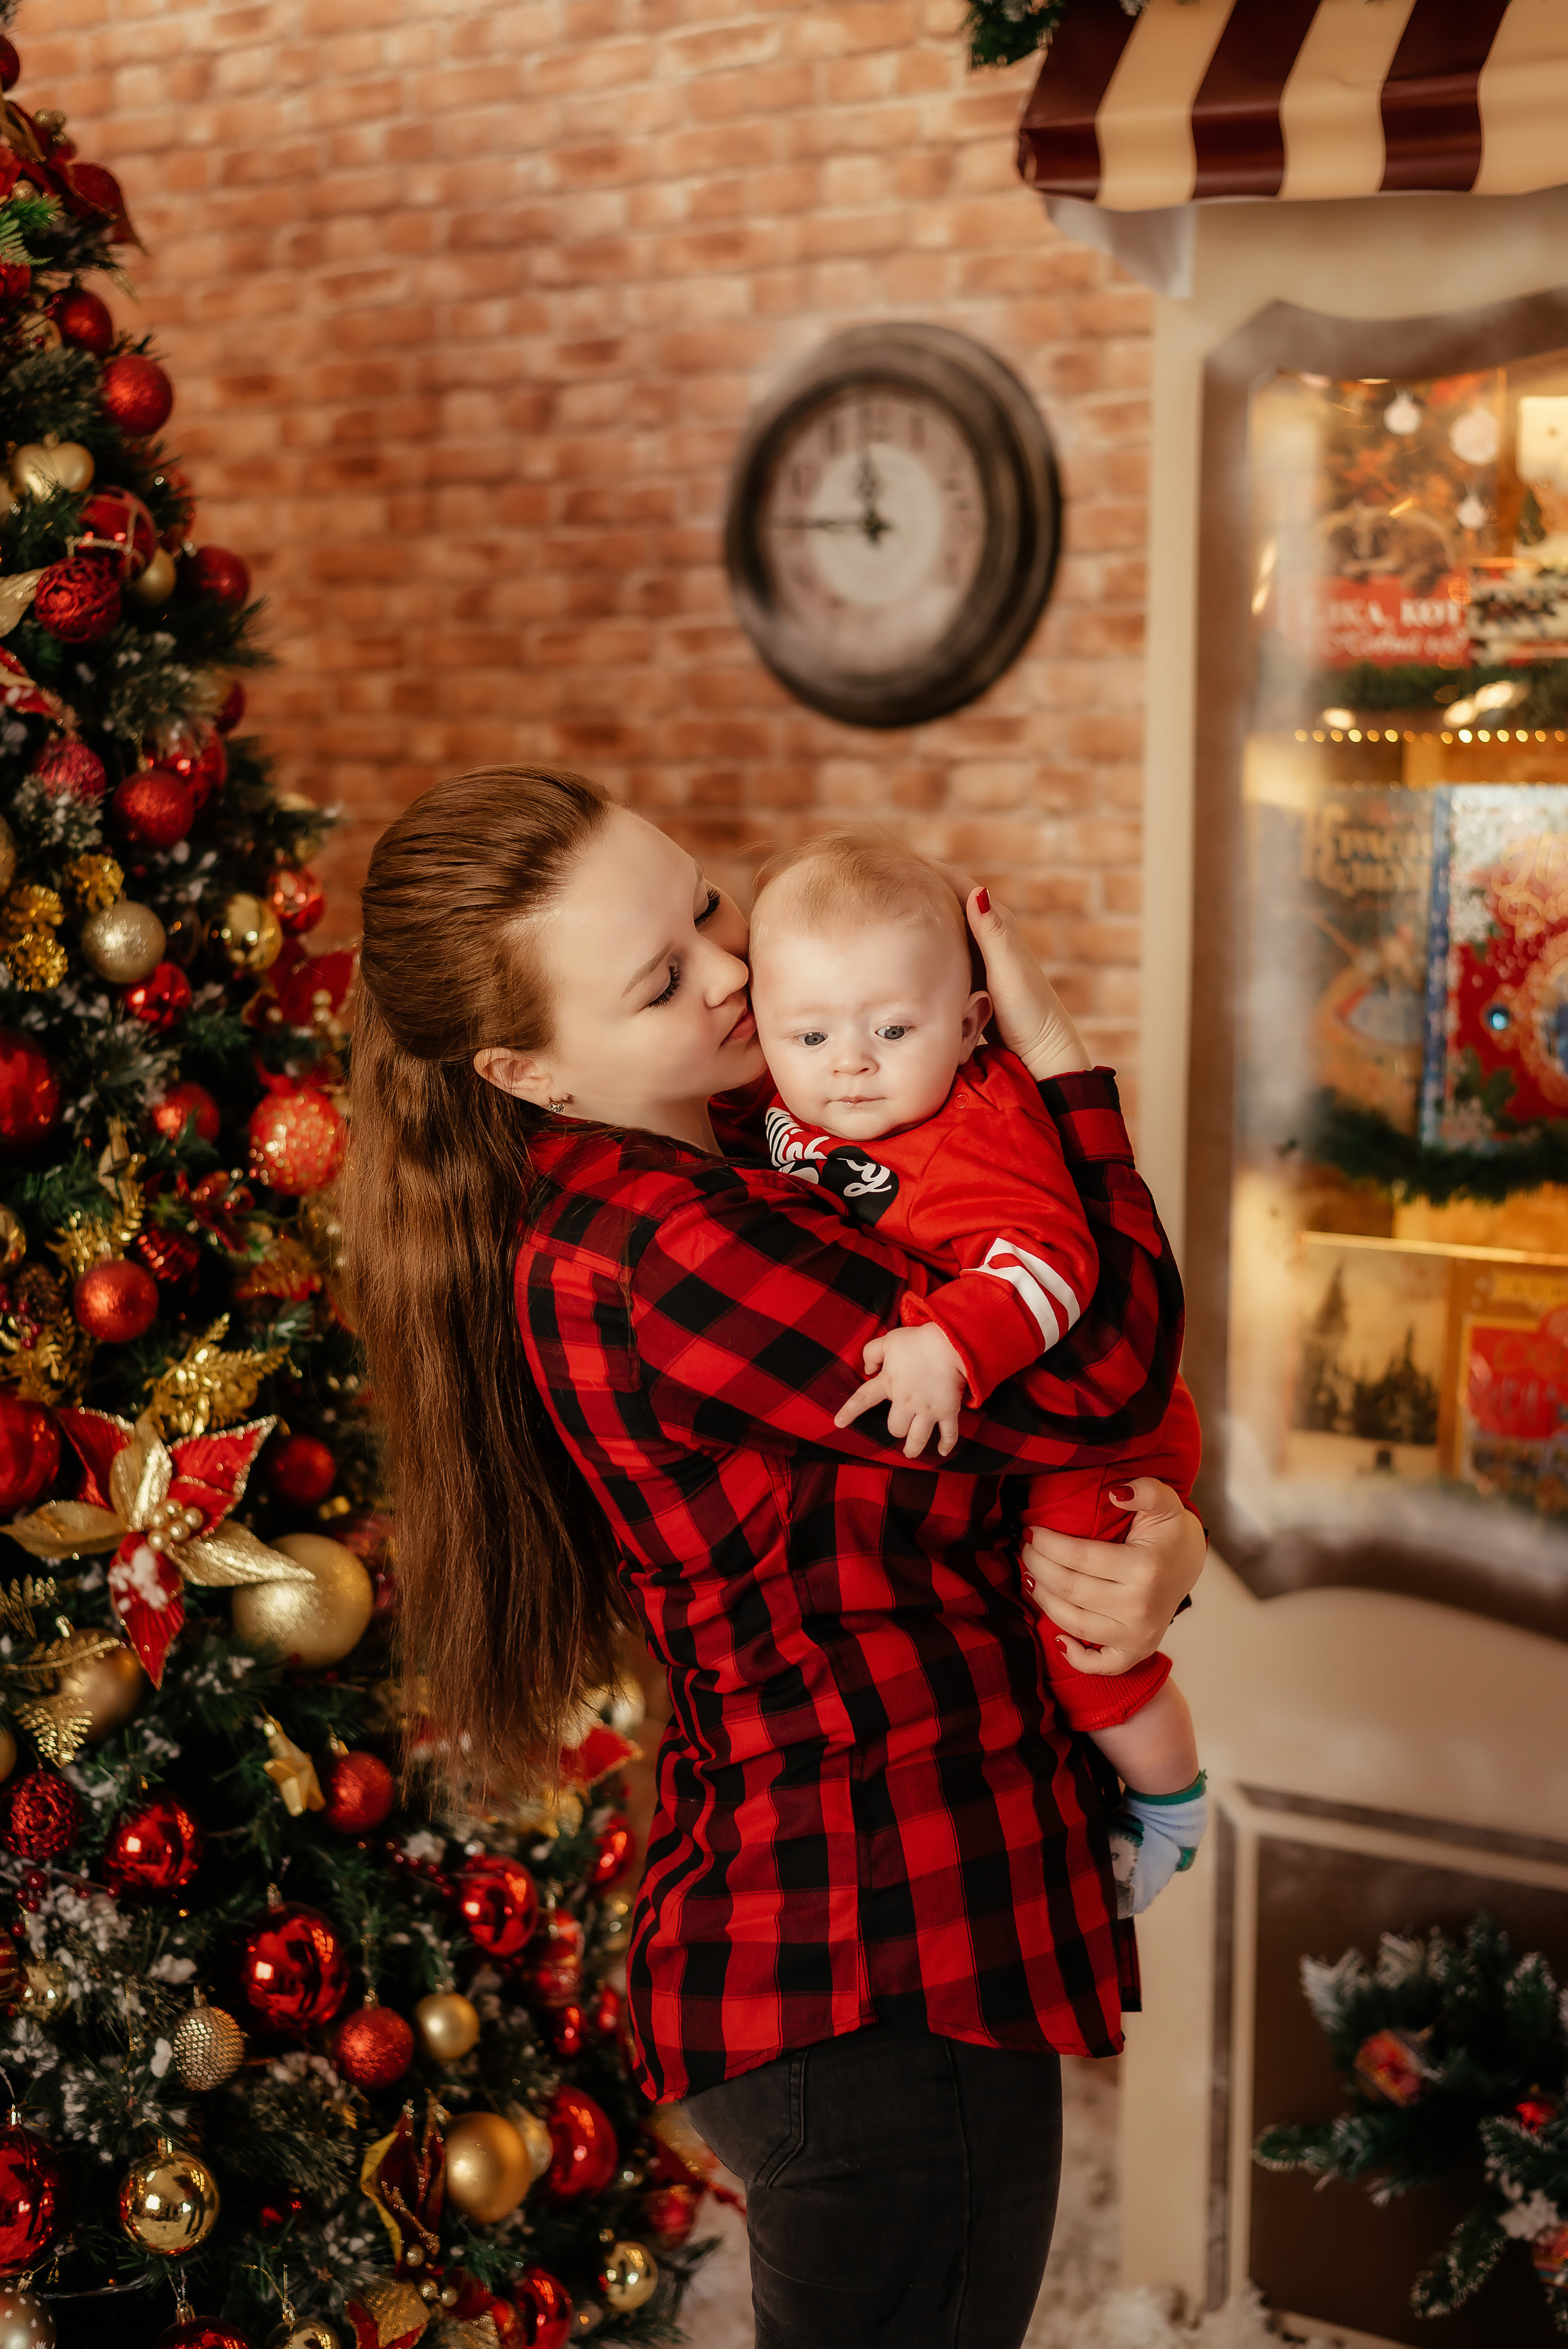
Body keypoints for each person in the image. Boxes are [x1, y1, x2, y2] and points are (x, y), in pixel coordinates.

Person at [342, 766, 1207, 2349]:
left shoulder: (768, 1142)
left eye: (706, 905)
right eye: (664, 977)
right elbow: (1110, 1375)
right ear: (528, 1067)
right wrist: (1070, 1070)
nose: (738, 971)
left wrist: (1157, 1538)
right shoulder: (678, 1246)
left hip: (864, 1935)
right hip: (873, 1958)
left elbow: (1030, 1433)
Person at [747, 828, 1207, 1918]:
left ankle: (1173, 1804)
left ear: (971, 1024)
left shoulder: (973, 1134)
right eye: (807, 1033)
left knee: (1085, 1628)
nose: (848, 1062)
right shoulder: (791, 1109)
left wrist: (948, 1342)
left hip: (1105, 1431)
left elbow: (1053, 1261)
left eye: (892, 1028)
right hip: (1036, 1417)